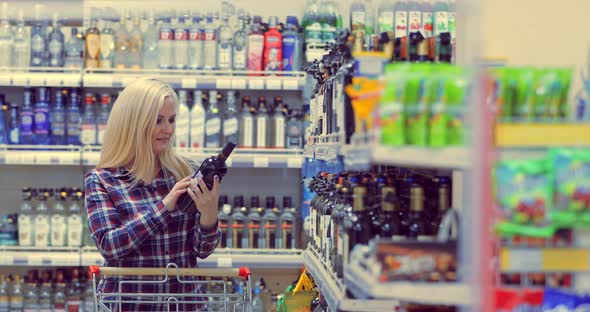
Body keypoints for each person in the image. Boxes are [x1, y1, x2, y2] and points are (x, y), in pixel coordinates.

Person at [84, 79, 221, 311]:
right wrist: (164, 206)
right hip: (130, 305)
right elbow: (110, 246)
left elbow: (202, 250)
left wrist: (209, 215)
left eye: (171, 120)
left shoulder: (184, 171)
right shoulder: (103, 181)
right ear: (133, 124)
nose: (167, 129)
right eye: (157, 120)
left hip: (183, 304)